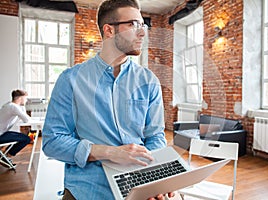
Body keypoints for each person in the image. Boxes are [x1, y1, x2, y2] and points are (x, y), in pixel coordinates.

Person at [42, 0, 174, 199]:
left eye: (142, 25)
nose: (142, 33)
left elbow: (155, 137)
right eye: (133, 24)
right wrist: (110, 152)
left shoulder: (149, 81)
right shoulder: (71, 79)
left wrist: (154, 176)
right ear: (109, 31)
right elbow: (52, 142)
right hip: (87, 188)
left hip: (138, 183)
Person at [0, 89, 31, 167]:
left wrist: (22, 106)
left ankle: (4, 156)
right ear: (20, 98)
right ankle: (6, 156)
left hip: (2, 133)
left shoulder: (9, 105)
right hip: (1, 135)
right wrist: (23, 106)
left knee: (20, 137)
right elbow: (26, 119)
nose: (26, 100)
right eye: (25, 98)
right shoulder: (13, 107)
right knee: (26, 139)